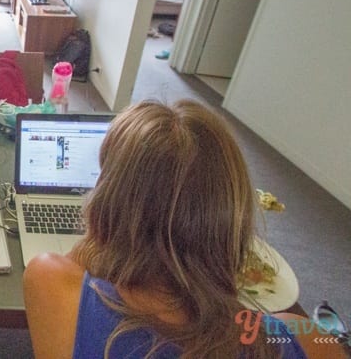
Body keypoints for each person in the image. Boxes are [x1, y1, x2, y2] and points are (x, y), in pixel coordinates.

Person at [24, 100, 341, 359]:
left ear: (105, 205)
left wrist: (102, 225)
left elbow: (78, 262)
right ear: (235, 220)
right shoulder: (312, 341)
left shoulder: (49, 280)